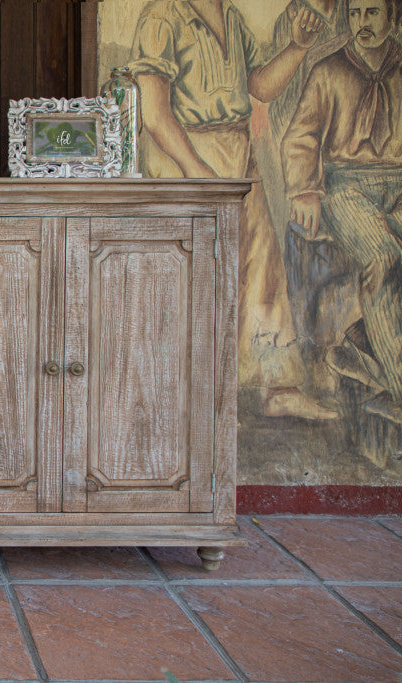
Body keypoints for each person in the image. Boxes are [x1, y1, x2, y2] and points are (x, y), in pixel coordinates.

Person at [129, 0, 338, 419]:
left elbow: (258, 86)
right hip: (184, 160)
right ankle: (180, 399)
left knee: (262, 268)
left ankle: (278, 386)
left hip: (238, 155)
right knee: (193, 278)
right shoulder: (161, 16)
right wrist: (199, 174)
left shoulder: (232, 17)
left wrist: (297, 48)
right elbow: (153, 113)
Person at [281, 0, 402, 424]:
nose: (361, 24)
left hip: (399, 183)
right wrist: (305, 190)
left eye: (372, 13)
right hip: (343, 186)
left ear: (394, 16)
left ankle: (369, 355)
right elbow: (300, 136)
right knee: (383, 256)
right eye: (354, 14)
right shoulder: (328, 69)